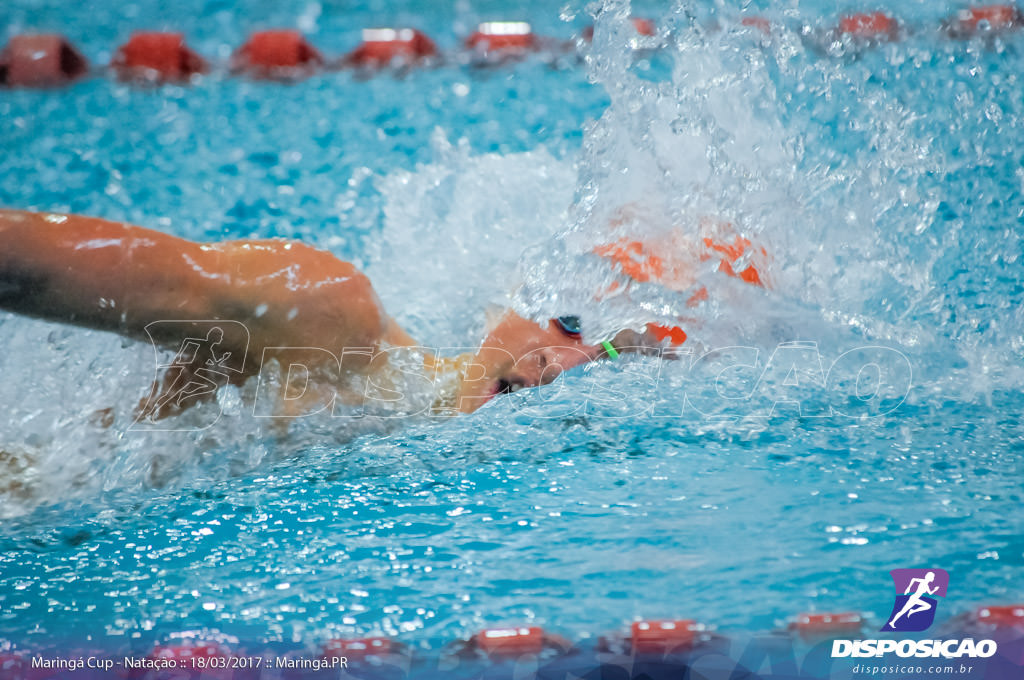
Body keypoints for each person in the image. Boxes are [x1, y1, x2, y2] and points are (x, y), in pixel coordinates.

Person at [0, 208, 766, 421]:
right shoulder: (319, 304)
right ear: (513, 298)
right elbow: (29, 262)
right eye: (570, 321)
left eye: (607, 357)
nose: (556, 367)